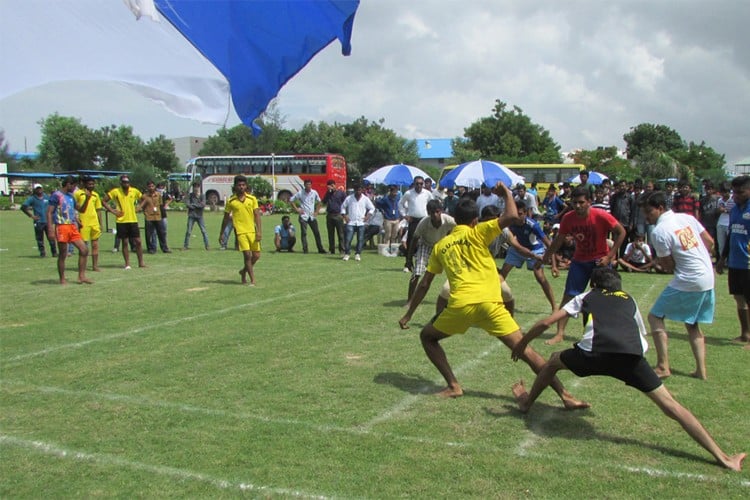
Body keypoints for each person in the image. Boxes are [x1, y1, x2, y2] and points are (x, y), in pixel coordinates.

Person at [510, 267, 745, 472]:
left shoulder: (587, 296)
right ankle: (724, 458)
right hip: (630, 359)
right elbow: (640, 335)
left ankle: (527, 403)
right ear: (618, 285)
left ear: (594, 285)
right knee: (672, 406)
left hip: (592, 355)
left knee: (552, 361)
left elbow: (546, 323)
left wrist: (522, 343)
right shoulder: (629, 299)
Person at [398, 184, 589, 411]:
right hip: (492, 305)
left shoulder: (441, 245)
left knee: (427, 337)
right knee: (526, 350)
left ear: (455, 220)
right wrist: (506, 192)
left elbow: (425, 283)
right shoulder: (480, 232)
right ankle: (566, 395)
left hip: (461, 306)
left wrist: (409, 313)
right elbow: (510, 215)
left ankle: (454, 385)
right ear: (474, 221)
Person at [641, 190, 714, 379]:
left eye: (649, 212)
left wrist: (669, 262)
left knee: (655, 317)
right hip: (707, 276)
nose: (646, 217)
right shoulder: (686, 218)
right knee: (692, 324)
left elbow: (668, 266)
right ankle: (701, 370)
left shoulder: (659, 231)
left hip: (689, 278)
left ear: (661, 208)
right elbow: (709, 242)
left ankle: (663, 366)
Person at [542, 186, 626, 345]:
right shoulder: (568, 218)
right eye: (575, 203)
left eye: (581, 202)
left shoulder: (601, 216)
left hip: (600, 262)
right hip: (579, 261)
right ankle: (559, 333)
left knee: (606, 298)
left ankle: (608, 334)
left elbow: (621, 232)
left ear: (590, 202)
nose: (578, 206)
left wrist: (610, 255)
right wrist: (545, 257)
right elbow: (558, 241)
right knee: (569, 296)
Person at [500, 200, 557, 312]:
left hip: (535, 250)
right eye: (515, 213)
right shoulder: (511, 223)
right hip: (518, 249)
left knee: (540, 277)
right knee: (502, 274)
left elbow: (549, 245)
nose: (517, 216)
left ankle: (554, 306)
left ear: (525, 213)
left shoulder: (533, 225)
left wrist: (554, 265)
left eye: (520, 214)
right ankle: (496, 301)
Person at [716, 175, 750, 347]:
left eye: (740, 192)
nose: (736, 195)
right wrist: (722, 258)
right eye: (734, 192)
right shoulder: (735, 209)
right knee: (739, 297)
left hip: (748, 262)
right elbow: (730, 234)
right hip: (735, 262)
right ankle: (745, 334)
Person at [406, 199, 456, 302]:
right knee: (417, 272)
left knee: (455, 270)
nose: (435, 215)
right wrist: (409, 259)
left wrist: (451, 237)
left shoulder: (449, 220)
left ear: (441, 211)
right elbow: (414, 239)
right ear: (428, 212)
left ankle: (455, 298)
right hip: (426, 245)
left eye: (437, 212)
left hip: (442, 246)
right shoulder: (424, 222)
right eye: (432, 212)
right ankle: (410, 300)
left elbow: (461, 227)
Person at [46, 176, 92, 285]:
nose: (75, 188)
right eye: (74, 185)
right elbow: (49, 212)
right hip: (61, 226)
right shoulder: (56, 196)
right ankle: (62, 278)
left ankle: (81, 276)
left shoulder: (71, 196)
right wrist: (50, 229)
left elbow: (81, 209)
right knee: (63, 254)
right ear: (68, 184)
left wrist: (87, 199)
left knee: (84, 250)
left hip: (72, 226)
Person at [220, 175, 262, 285]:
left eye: (243, 185)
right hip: (240, 232)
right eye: (239, 185)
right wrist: (221, 234)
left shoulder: (252, 199)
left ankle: (243, 271)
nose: (241, 187)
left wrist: (259, 231)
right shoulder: (231, 201)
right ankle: (252, 280)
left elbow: (257, 215)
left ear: (246, 186)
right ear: (235, 187)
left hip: (252, 231)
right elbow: (225, 218)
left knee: (256, 256)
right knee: (247, 255)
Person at [102, 175, 145, 269]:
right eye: (124, 182)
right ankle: (127, 263)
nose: (126, 183)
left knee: (138, 241)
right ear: (121, 182)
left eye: (127, 182)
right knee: (124, 242)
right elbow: (104, 201)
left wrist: (139, 207)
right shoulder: (115, 191)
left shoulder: (134, 191)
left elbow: (144, 198)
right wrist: (113, 211)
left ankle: (141, 263)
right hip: (121, 221)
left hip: (133, 219)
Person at [398, 176, 432, 272]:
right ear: (414, 183)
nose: (419, 185)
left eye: (421, 183)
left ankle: (425, 263)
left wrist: (430, 215)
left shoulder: (427, 193)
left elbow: (432, 203)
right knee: (411, 241)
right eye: (417, 183)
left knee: (426, 241)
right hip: (413, 220)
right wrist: (405, 215)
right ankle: (408, 264)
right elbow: (400, 204)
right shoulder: (409, 193)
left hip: (424, 220)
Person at [74, 175, 103, 271]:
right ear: (85, 184)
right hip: (84, 222)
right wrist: (77, 219)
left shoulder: (96, 195)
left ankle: (95, 266)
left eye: (93, 184)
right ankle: (83, 265)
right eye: (89, 184)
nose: (91, 186)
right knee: (84, 246)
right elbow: (74, 208)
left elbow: (98, 210)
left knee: (95, 245)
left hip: (94, 222)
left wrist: (100, 223)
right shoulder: (78, 194)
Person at [290, 179, 326, 254]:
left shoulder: (314, 192)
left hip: (312, 216)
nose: (308, 186)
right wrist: (297, 209)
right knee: (304, 233)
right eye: (307, 184)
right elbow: (291, 200)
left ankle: (320, 249)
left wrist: (316, 211)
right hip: (303, 216)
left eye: (309, 184)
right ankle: (305, 249)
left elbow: (319, 202)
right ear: (304, 185)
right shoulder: (300, 193)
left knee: (316, 232)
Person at [21, 183, 57, 257]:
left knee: (51, 237)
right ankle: (42, 253)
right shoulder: (32, 198)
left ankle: (54, 252)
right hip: (39, 222)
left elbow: (53, 206)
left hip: (48, 221)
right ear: (35, 190)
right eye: (37, 188)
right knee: (39, 238)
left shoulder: (47, 197)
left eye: (40, 188)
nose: (39, 190)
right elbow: (23, 207)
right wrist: (31, 216)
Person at [341, 184, 375, 261]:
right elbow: (342, 207)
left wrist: (367, 217)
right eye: (357, 190)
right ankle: (347, 253)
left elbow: (372, 208)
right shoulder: (349, 198)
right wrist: (345, 217)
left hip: (361, 222)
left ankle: (357, 253)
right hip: (351, 221)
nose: (358, 191)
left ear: (362, 190)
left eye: (360, 190)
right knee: (348, 238)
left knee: (360, 239)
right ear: (354, 190)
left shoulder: (365, 199)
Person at [139, 180, 171, 254]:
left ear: (154, 186)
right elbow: (142, 206)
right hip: (149, 217)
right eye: (149, 186)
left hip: (157, 216)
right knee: (149, 234)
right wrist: (145, 212)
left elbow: (160, 205)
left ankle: (164, 248)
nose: (151, 188)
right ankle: (151, 248)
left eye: (152, 186)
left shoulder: (158, 195)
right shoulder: (144, 196)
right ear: (147, 187)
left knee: (161, 233)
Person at [183, 181, 210, 250]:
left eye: (197, 187)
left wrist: (194, 205)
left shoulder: (202, 195)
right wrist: (196, 205)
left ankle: (207, 246)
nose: (196, 188)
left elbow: (203, 205)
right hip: (191, 215)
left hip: (199, 216)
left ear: (199, 187)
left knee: (203, 231)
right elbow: (187, 204)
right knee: (188, 231)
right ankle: (185, 246)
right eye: (195, 187)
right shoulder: (190, 195)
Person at [322, 179, 347, 255]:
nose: (330, 188)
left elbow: (346, 203)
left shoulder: (341, 193)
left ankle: (342, 250)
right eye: (329, 187)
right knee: (330, 234)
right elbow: (324, 201)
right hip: (330, 215)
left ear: (334, 185)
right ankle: (331, 250)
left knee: (341, 234)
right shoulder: (328, 194)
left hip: (338, 215)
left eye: (331, 186)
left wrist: (345, 214)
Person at [716, 181, 734, 258]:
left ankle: (730, 260)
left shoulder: (733, 199)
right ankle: (722, 261)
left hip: (730, 224)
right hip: (720, 224)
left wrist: (725, 210)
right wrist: (723, 210)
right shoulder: (720, 200)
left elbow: (733, 211)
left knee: (730, 244)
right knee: (721, 244)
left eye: (726, 192)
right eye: (722, 192)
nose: (724, 194)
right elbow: (719, 210)